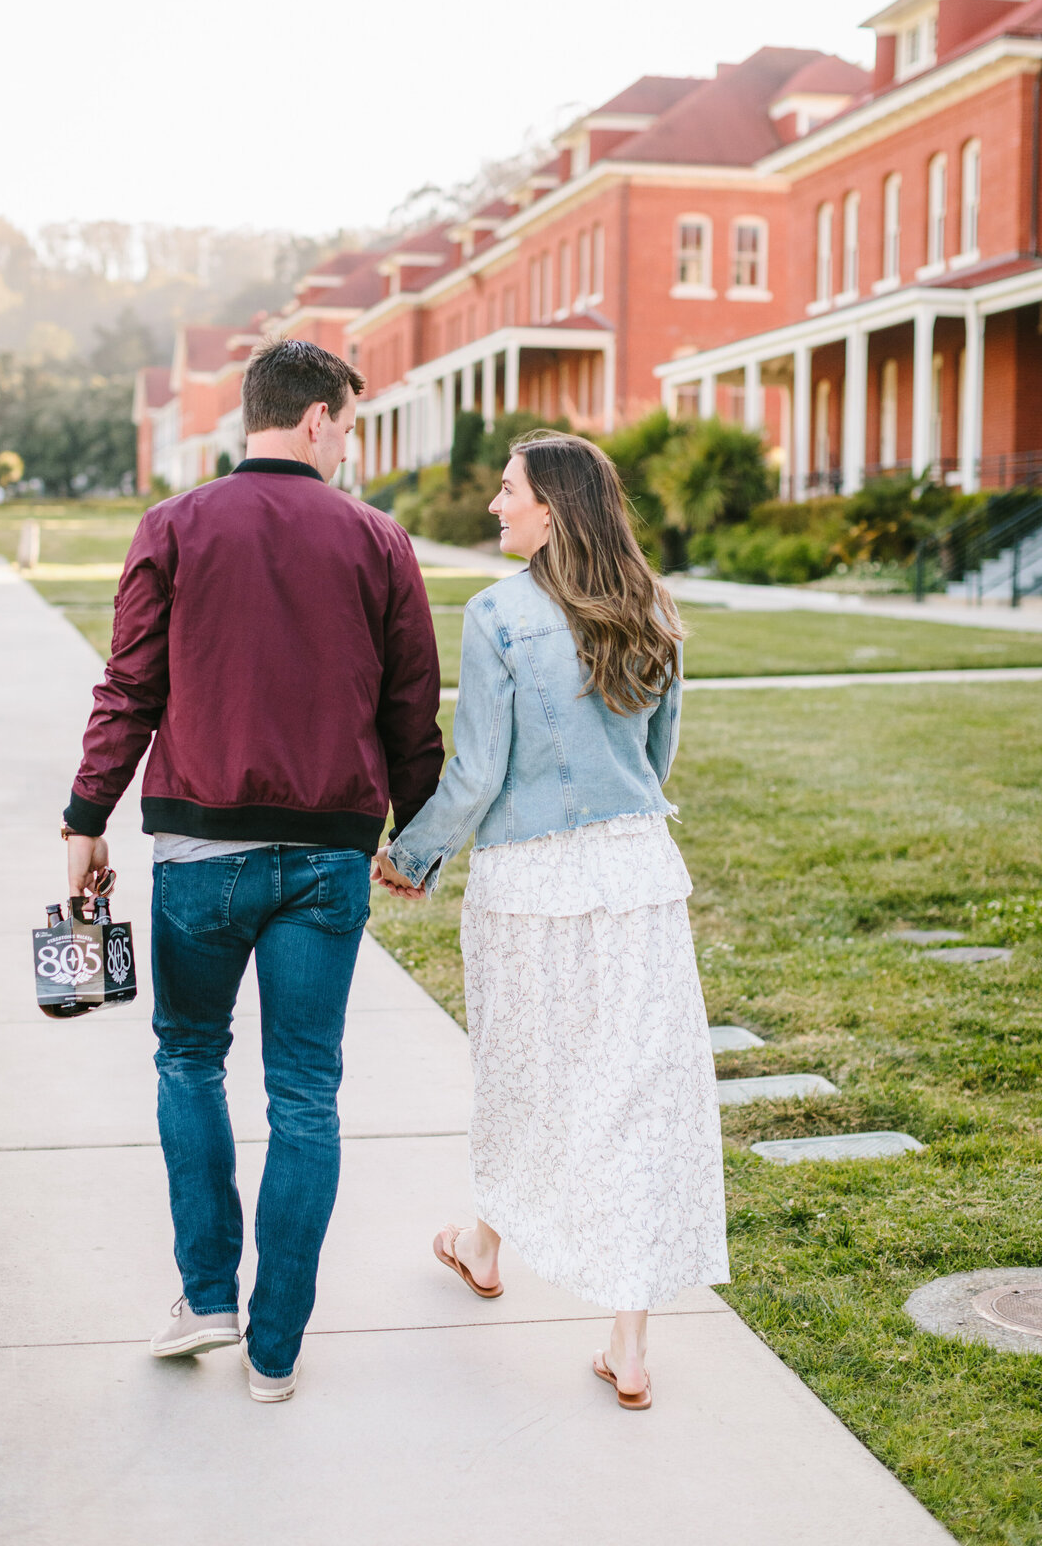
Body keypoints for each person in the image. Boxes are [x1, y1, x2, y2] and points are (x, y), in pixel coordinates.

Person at [63, 339, 443, 1402]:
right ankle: (275, 1352)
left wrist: (85, 817)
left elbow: (127, 689)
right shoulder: (379, 540)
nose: (350, 445)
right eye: (350, 426)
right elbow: (413, 713)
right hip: (328, 860)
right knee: (306, 1094)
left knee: (189, 1061)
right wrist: (413, 841)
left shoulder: (174, 527)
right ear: (317, 420)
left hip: (199, 855)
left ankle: (206, 1297)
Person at [375, 432, 728, 1411]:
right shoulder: (654, 609)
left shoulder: (497, 615)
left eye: (507, 490)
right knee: (635, 1093)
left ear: (553, 510)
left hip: (532, 882)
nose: (494, 506)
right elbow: (658, 762)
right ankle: (627, 1344)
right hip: (639, 876)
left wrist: (410, 856)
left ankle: (488, 1243)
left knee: (525, 1073)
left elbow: (480, 774)